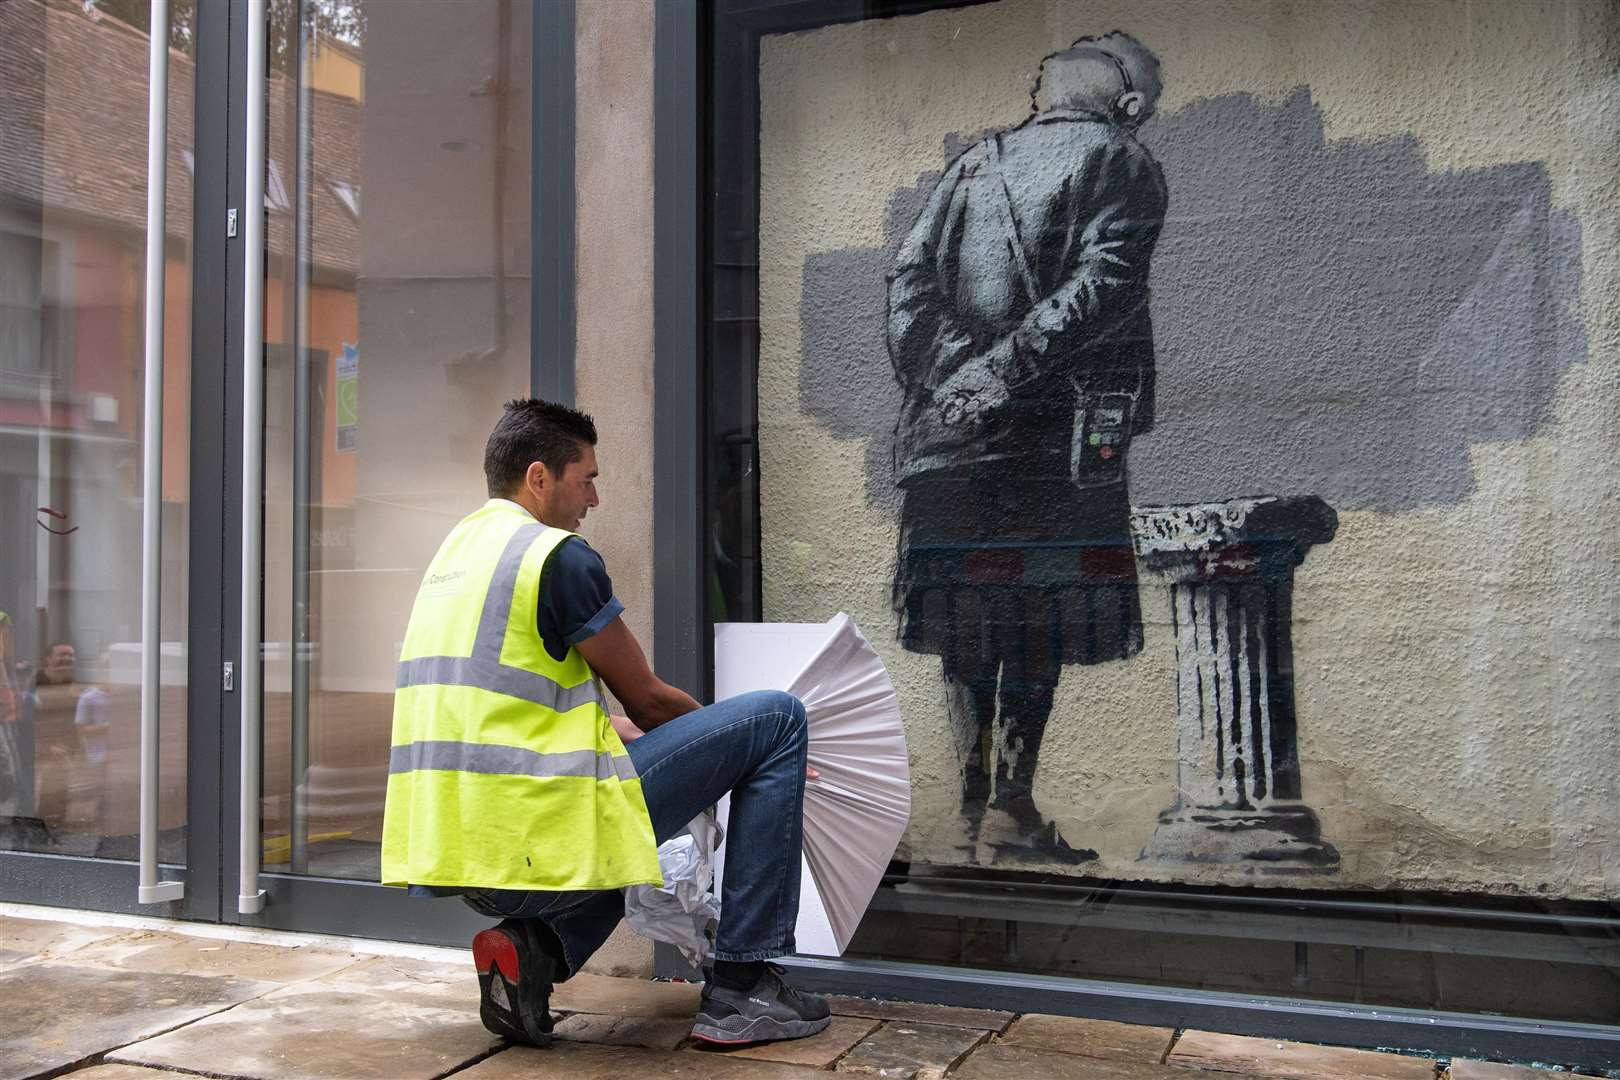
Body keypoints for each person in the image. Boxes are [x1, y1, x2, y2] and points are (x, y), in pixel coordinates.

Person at [381, 399, 830, 1048]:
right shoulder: (557, 558)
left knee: (614, 801)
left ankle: (530, 950)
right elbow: (647, 699)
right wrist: (728, 746)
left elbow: (499, 707)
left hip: (460, 852)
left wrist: (611, 729)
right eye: (585, 477)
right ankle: (744, 986)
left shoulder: (457, 556)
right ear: (539, 477)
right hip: (530, 842)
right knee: (779, 720)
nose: (593, 496)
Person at [886, 32, 1167, 866]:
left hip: (950, 444)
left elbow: (908, 282)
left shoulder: (975, 164)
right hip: (1056, 441)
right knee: (1036, 627)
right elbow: (1106, 284)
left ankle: (976, 813)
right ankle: (1009, 809)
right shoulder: (1123, 159)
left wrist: (951, 378)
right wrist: (1003, 375)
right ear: (1125, 105)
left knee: (967, 626)